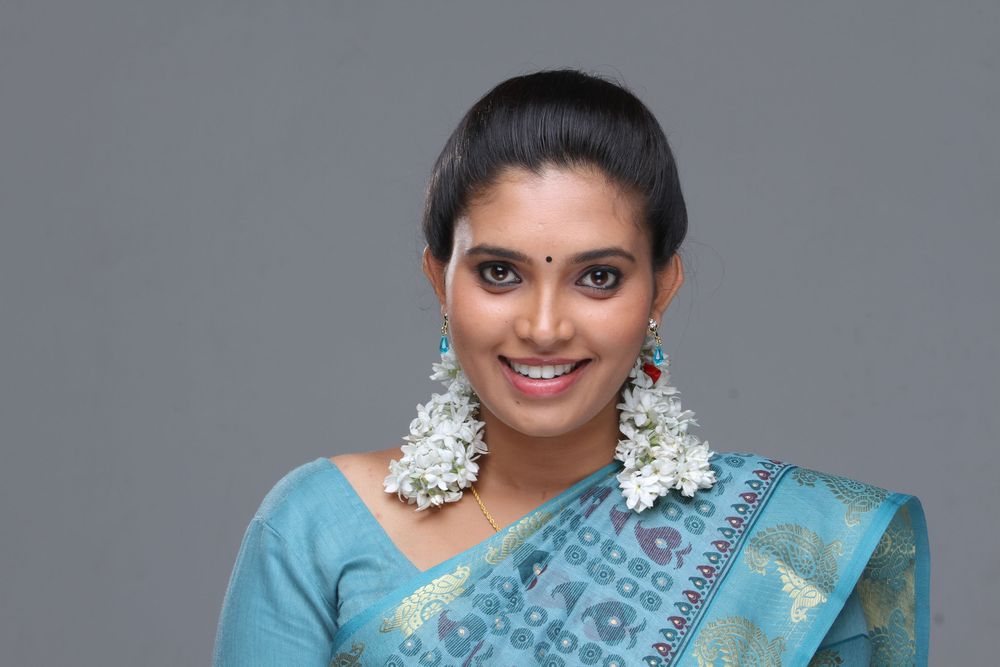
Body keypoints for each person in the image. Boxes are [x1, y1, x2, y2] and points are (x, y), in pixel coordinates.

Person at [212, 69, 929, 666]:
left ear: (661, 290)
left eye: (598, 278)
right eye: (500, 272)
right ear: (440, 280)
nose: (545, 327)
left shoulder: (779, 553)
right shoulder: (317, 529)